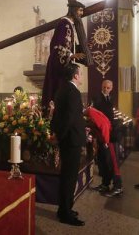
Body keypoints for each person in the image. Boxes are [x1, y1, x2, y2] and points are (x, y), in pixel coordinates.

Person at [51, 63, 85, 226]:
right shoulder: (73, 92)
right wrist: (61, 136)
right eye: (81, 73)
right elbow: (70, 118)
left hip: (68, 139)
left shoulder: (62, 89)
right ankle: (65, 213)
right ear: (76, 76)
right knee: (69, 177)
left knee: (67, 176)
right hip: (71, 140)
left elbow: (58, 116)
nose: (82, 76)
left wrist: (57, 134)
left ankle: (64, 208)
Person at [42, 1, 92, 114]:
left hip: (64, 63)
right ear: (73, 11)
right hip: (58, 64)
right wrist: (71, 55)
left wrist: (81, 48)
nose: (81, 13)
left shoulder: (69, 25)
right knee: (57, 92)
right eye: (80, 10)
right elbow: (56, 46)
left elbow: (68, 46)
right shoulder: (64, 23)